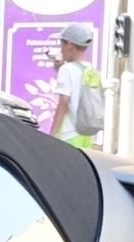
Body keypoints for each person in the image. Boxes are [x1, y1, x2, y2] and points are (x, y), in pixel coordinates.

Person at [44, 21, 106, 149]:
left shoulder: (66, 70)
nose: (60, 47)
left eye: (62, 42)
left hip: (68, 135)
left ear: (69, 45)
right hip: (86, 134)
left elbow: (64, 101)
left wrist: (52, 134)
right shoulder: (89, 69)